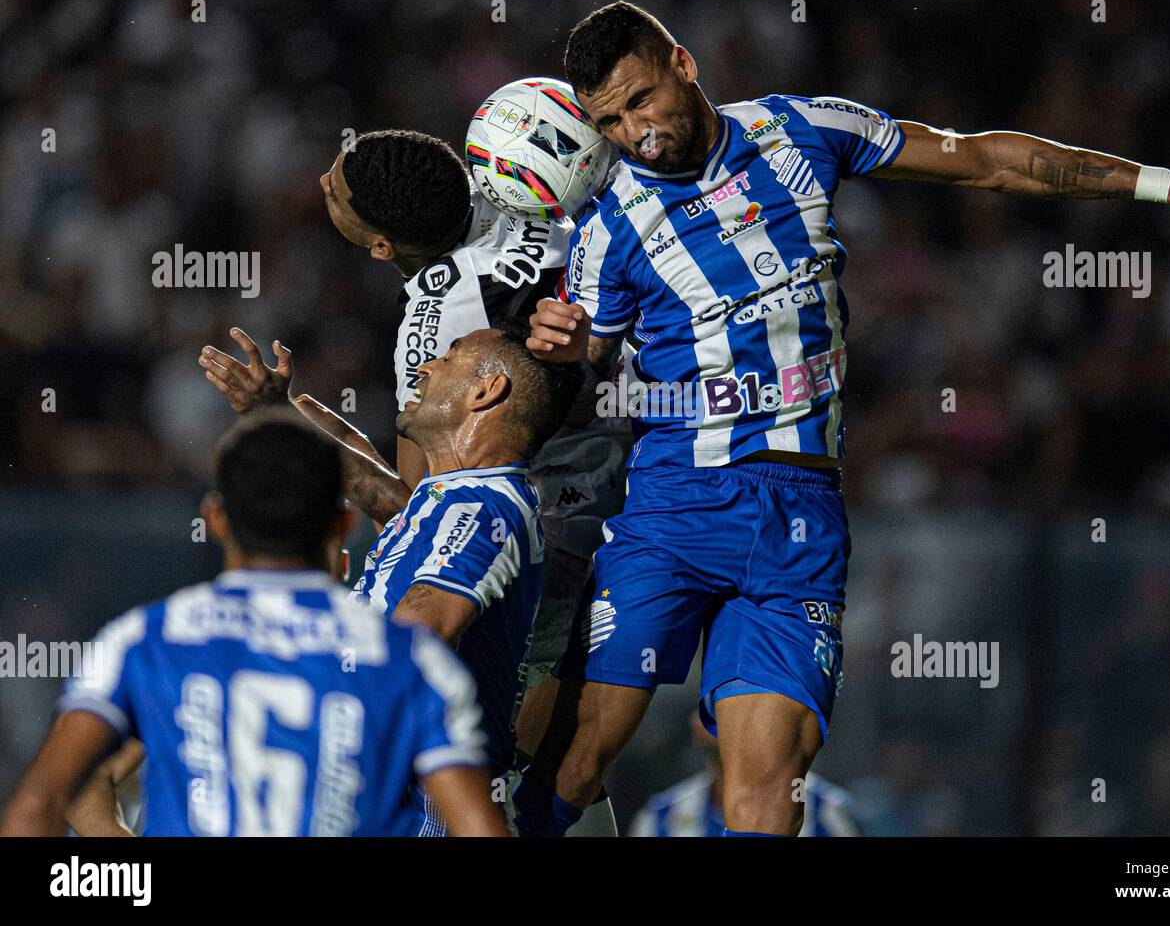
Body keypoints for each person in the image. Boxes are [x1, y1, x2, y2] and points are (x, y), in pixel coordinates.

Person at [518, 0, 1170, 837]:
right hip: (673, 506)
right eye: (611, 120)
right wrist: (562, 344)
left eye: (639, 99)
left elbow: (984, 161)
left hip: (798, 518)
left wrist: (1166, 184)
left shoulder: (800, 129)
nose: (635, 133)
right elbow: (584, 362)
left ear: (682, 64)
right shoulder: (608, 223)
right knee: (586, 750)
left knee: (766, 792)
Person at [0, 414, 507, 837]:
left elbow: (39, 802)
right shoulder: (410, 661)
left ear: (216, 520)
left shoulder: (144, 641)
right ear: (341, 527)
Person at [201, 321, 582, 835]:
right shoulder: (445, 499)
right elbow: (362, 477)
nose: (426, 366)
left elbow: (413, 639)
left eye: (448, 358)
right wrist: (276, 410)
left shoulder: (482, 507)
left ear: (486, 392)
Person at [630, 716, 859, 837]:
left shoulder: (825, 810)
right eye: (714, 708)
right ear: (697, 727)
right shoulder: (659, 818)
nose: (732, 716)